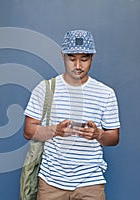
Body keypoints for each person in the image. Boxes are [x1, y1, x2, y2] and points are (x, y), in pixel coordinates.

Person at [23, 30, 120, 200]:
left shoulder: (106, 93)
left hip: (91, 183)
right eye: (72, 58)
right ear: (62, 56)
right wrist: (55, 131)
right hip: (50, 182)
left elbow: (114, 138)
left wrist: (98, 134)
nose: (77, 65)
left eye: (84, 59)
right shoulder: (45, 89)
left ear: (92, 58)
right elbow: (27, 131)